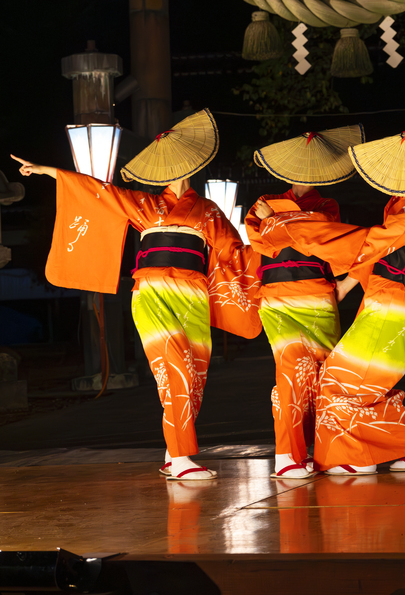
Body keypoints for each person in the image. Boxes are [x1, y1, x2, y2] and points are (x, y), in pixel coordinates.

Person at [11, 109, 261, 481]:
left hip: (192, 298)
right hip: (152, 294)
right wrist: (50, 172)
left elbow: (237, 254)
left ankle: (172, 452)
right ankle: (182, 459)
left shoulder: (208, 211)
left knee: (194, 374)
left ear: (192, 166)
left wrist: (275, 245)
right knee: (173, 369)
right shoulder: (145, 204)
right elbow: (100, 193)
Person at [255, 123, 405, 475]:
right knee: (351, 384)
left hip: (395, 308)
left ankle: (357, 456)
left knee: (337, 381)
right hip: (382, 304)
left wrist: (285, 224)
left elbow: (370, 244)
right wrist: (346, 283)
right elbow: (373, 250)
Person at [245, 125, 365, 480]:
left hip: (318, 298)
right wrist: (285, 225)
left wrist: (275, 220)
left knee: (326, 374)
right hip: (278, 300)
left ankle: (328, 450)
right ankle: (287, 455)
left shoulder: (326, 205)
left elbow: (319, 231)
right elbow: (260, 240)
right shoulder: (264, 201)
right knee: (291, 370)